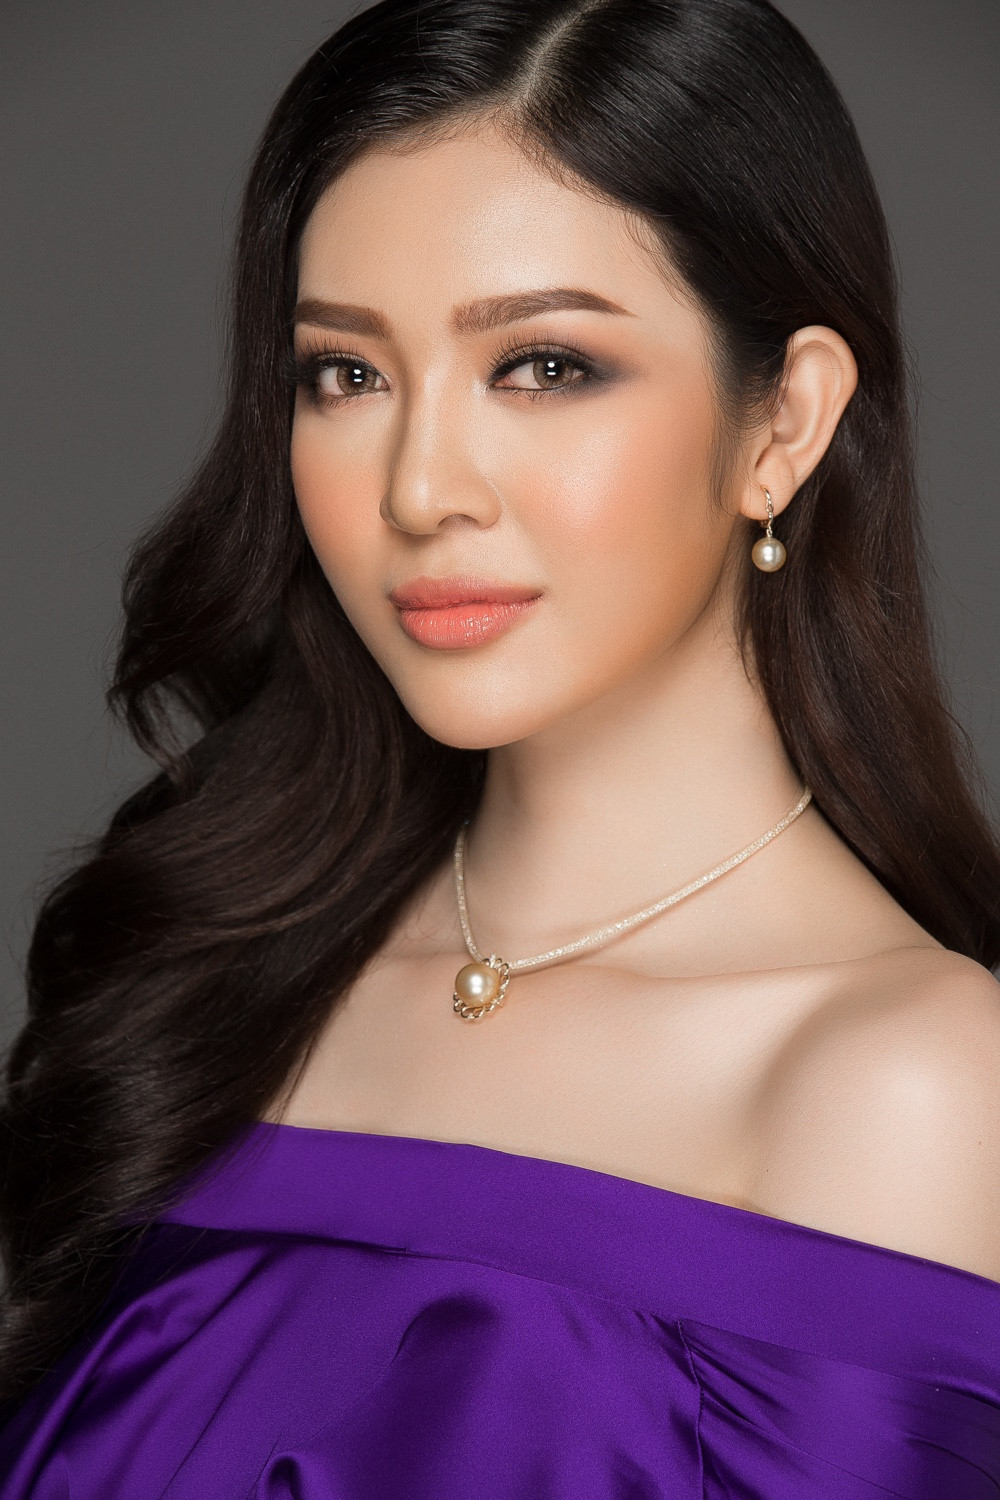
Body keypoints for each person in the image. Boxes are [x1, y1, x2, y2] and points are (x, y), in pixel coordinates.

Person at [2, 0, 999, 1493]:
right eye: (347, 374)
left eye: (542, 365)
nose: (420, 489)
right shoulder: (228, 979)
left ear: (784, 423)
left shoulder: (913, 1086)